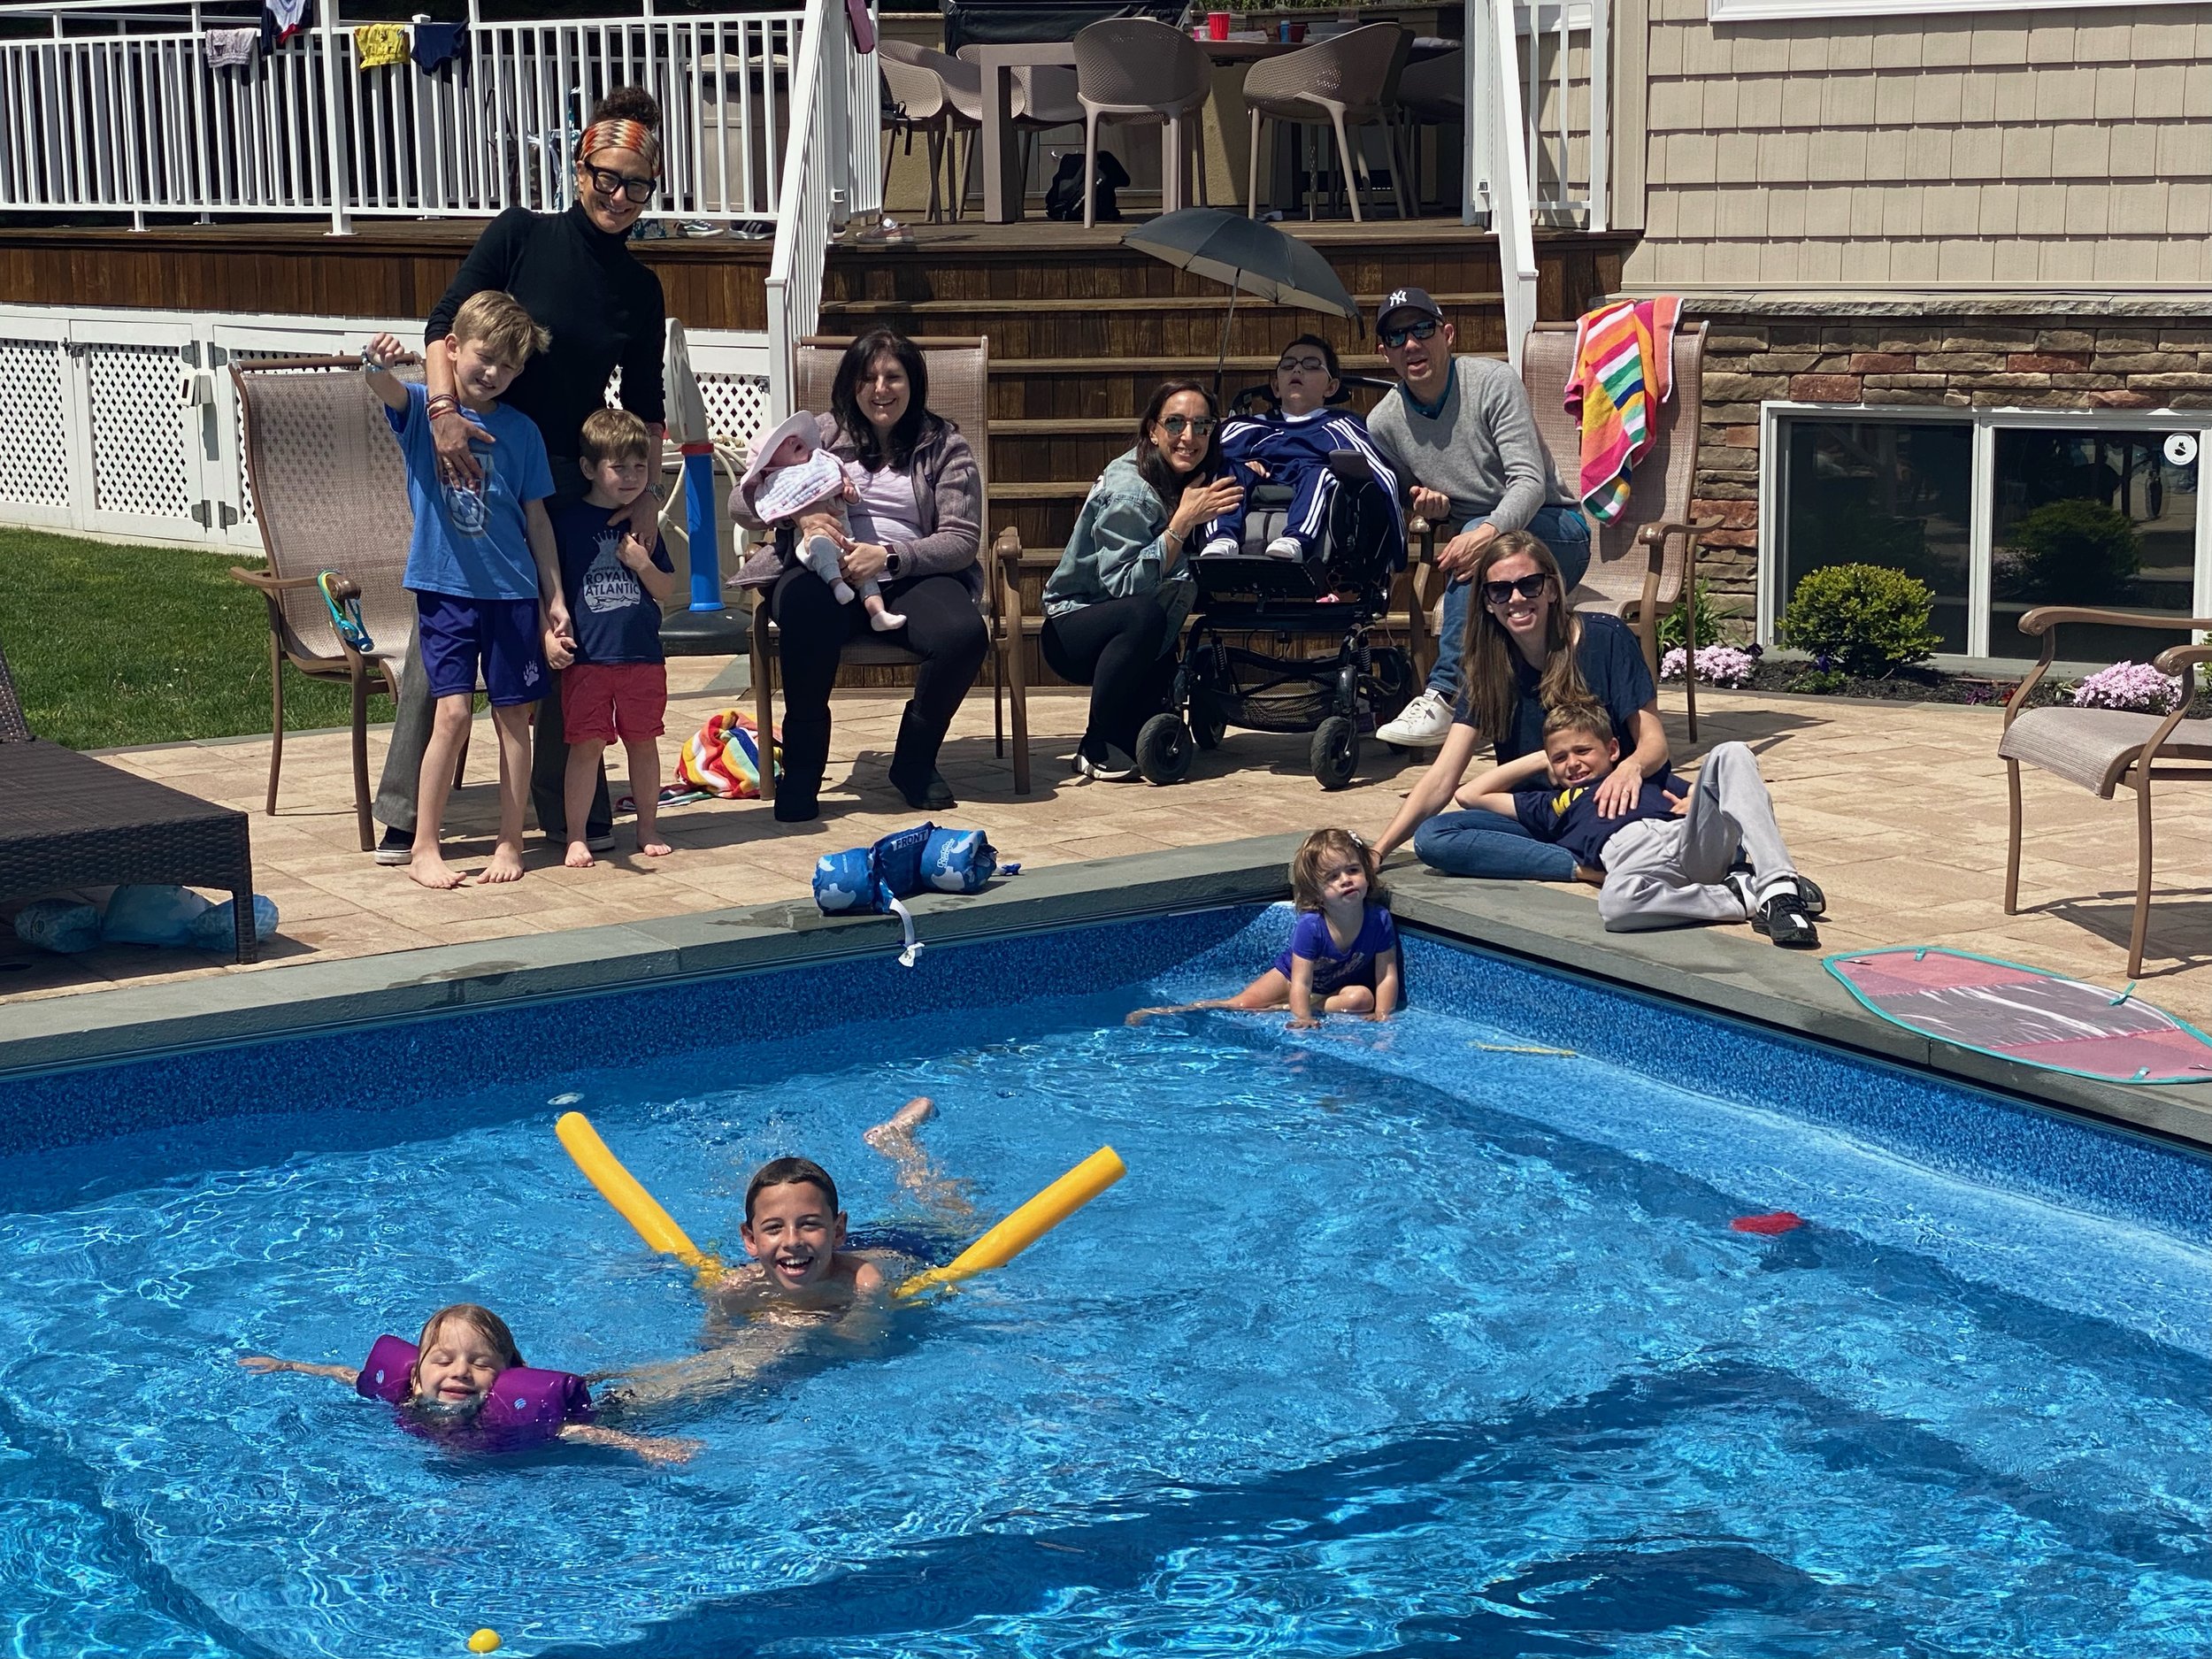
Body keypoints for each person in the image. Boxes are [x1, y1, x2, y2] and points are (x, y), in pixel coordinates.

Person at [372, 85, 669, 865]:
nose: (618, 195)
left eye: (636, 184)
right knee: (450, 627)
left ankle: (566, 809)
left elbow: (645, 406)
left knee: (564, 637)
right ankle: (406, 813)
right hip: (472, 454)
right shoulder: (520, 234)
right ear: (579, 169)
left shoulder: (640, 289)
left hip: (568, 477)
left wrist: (647, 504)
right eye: (606, 176)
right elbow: (443, 328)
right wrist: (440, 414)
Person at [734, 330, 987, 821]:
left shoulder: (944, 445)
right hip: (817, 565)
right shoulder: (817, 436)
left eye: (893, 377)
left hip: (908, 573)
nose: (880, 389)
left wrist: (889, 556)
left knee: (963, 634)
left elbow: (961, 539)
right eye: (867, 378)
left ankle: (914, 761)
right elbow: (740, 501)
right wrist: (796, 516)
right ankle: (803, 770)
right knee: (806, 610)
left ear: (913, 383)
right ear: (851, 385)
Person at [360, 307, 569, 891]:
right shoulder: (429, 409)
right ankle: (425, 844)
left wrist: (553, 597)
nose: (495, 372)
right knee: (449, 713)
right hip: (445, 589)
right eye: (486, 357)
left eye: (509, 365)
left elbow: (538, 521)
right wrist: (373, 364)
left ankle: (510, 839)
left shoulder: (522, 432)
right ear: (453, 347)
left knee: (513, 719)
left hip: (511, 594)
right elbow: (386, 389)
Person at [1363, 287, 1592, 749]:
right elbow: (1422, 496)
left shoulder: (1493, 382)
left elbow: (1528, 482)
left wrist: (1485, 532)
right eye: (1397, 336)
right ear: (1384, 352)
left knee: (1475, 542)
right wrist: (1431, 505)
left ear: (1447, 334)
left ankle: (1445, 694)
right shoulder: (1382, 424)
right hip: (1477, 539)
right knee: (1473, 543)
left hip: (1557, 528)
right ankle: (1479, 707)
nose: (1412, 344)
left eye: (1422, 329)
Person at [1374, 530, 1669, 881]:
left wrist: (1630, 768)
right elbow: (1442, 778)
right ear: (1486, 601)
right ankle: (1583, 867)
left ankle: (1584, 851)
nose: (1515, 598)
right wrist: (1379, 850)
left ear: (1552, 590)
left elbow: (1654, 744)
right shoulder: (1487, 669)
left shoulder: (1607, 639)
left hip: (1610, 803)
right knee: (1435, 836)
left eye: (1529, 585)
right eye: (1500, 590)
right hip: (1543, 813)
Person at [1460, 702, 1824, 945]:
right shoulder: (1551, 804)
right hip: (1635, 863)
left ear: (1613, 750)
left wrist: (1693, 798)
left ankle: (1778, 889)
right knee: (1616, 906)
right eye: (1561, 758)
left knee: (1731, 753)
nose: (1572, 763)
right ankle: (1743, 895)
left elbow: (1719, 787)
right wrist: (1543, 758)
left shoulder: (1645, 777)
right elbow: (1471, 794)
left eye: (1582, 750)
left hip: (1688, 841)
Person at [1043, 380, 1243, 780]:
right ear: (1153, 430)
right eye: (1175, 423)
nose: (1189, 436)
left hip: (1147, 633)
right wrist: (1182, 523)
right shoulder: (1130, 493)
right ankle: (1096, 742)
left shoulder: (1190, 475)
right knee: (1142, 614)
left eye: (1203, 425)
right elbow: (1124, 585)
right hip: (1078, 629)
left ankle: (1135, 719)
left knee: (1153, 740)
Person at [240, 1302, 697, 1463]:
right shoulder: (404, 1395)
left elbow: (574, 1430)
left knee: (634, 1399)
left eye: (479, 1363)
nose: (460, 1371)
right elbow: (346, 1375)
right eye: (443, 1360)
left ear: (506, 1375)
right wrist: (290, 1366)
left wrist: (642, 1446)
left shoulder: (503, 1415)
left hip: (600, 1411)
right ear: (417, 1375)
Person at [551, 408, 678, 868]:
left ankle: (647, 827)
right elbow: (552, 587)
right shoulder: (566, 523)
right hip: (588, 659)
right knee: (586, 747)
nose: (630, 477)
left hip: (643, 656)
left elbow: (665, 588)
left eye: (639, 467)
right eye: (618, 467)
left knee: (643, 743)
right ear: (589, 469)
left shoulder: (643, 524)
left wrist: (643, 563)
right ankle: (577, 836)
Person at [1128, 827, 1402, 1026]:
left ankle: (1281, 1009)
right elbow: (1301, 980)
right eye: (1333, 876)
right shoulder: (1312, 926)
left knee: (1362, 999)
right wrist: (1303, 1017)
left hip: (1333, 989)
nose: (1346, 880)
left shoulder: (1377, 919)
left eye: (1353, 870)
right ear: (1316, 894)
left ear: (1367, 874)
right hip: (1289, 977)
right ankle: (1166, 1012)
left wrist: (1383, 1013)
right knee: (1240, 1004)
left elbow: (1386, 975)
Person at [1198, 335, 1402, 562]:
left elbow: (1382, 475)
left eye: (1311, 365)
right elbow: (1204, 458)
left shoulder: (1342, 426)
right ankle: (1222, 538)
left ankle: (1295, 540)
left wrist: (1396, 549)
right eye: (1288, 365)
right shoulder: (1247, 426)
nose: (1297, 369)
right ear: (1276, 386)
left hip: (1312, 494)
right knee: (1226, 470)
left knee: (1320, 473)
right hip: (1250, 493)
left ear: (1331, 387)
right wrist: (1240, 464)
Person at [738, 411, 906, 632]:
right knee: (819, 550)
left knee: (866, 576)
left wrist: (850, 494)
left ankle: (878, 613)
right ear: (771, 466)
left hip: (851, 542)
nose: (792, 439)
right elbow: (739, 504)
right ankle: (835, 583)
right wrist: (797, 514)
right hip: (813, 545)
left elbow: (848, 491)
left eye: (793, 437)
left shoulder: (822, 461)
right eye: (781, 445)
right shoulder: (776, 480)